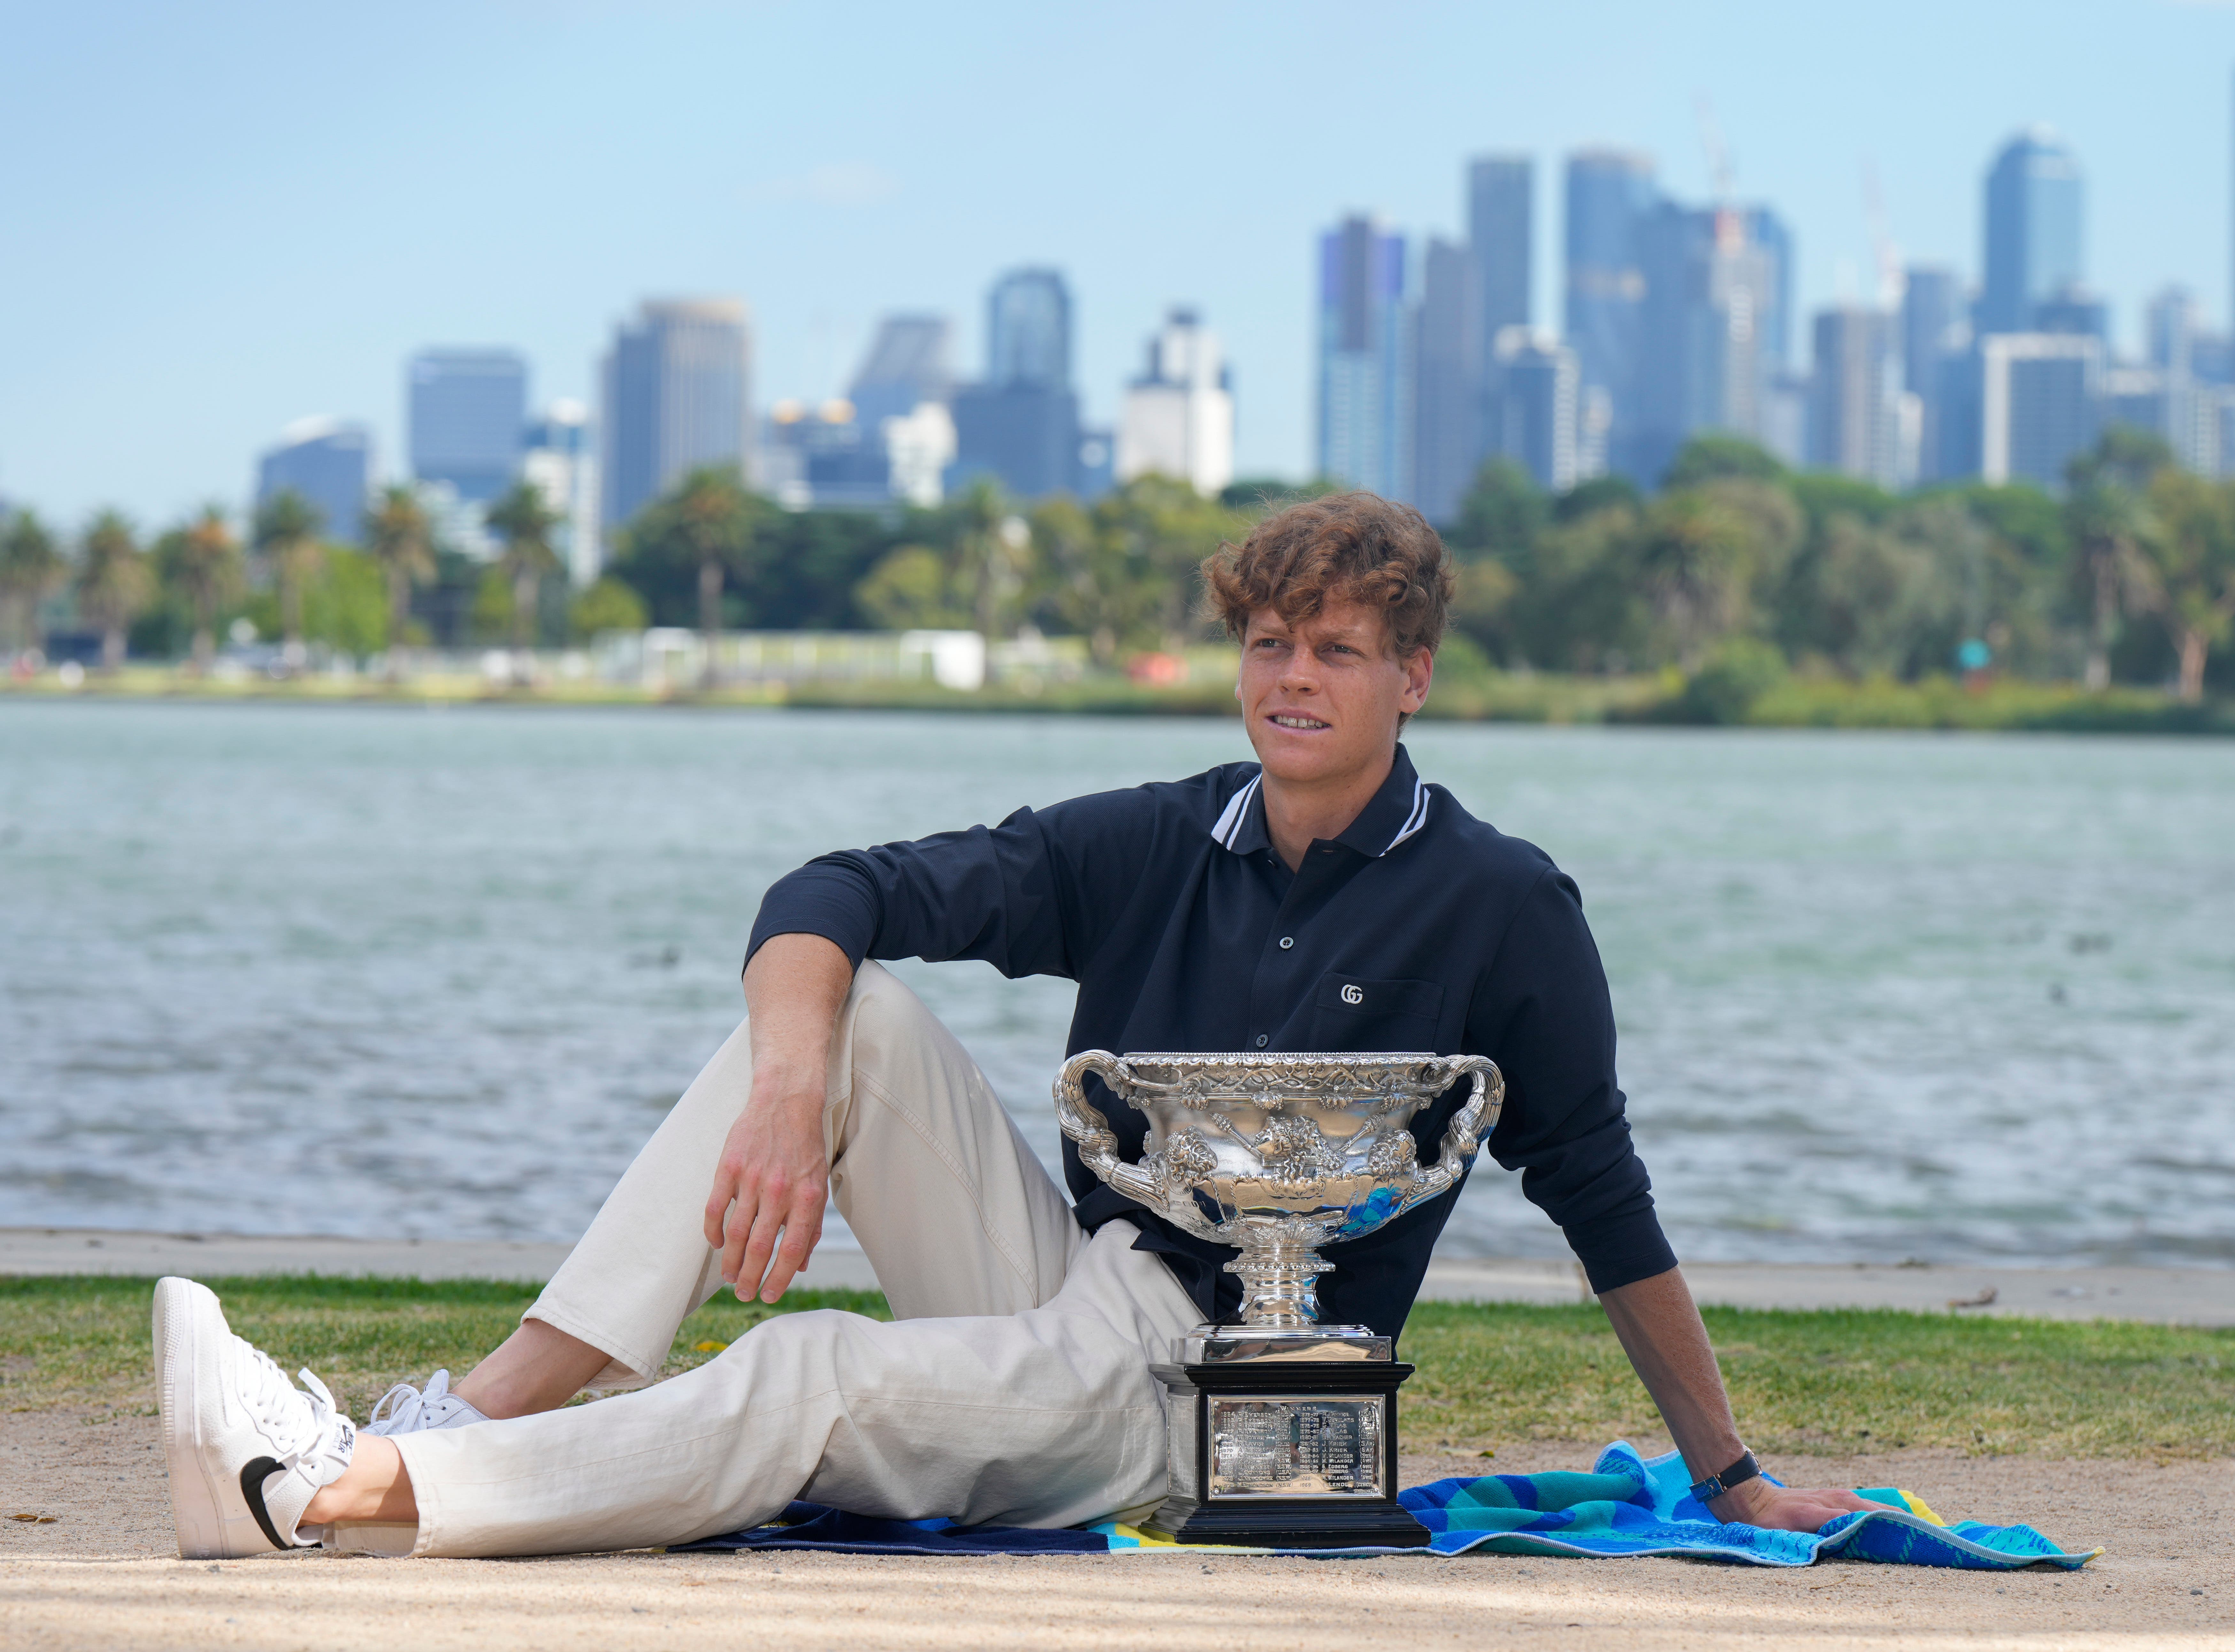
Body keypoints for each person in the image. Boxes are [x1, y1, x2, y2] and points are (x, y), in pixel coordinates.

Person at [155, 492, 1883, 1560]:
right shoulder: (1162, 835)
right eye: (1270, 641)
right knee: (866, 1012)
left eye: (1339, 650)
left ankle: (343, 1489)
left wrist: (1726, 1474)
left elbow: (1602, 1191)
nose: (1294, 676)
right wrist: (785, 1093)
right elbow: (835, 886)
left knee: (809, 1366)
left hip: (1200, 1387)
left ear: (1413, 675)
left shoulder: (1503, 903)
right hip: (1070, 1288)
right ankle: (483, 1409)